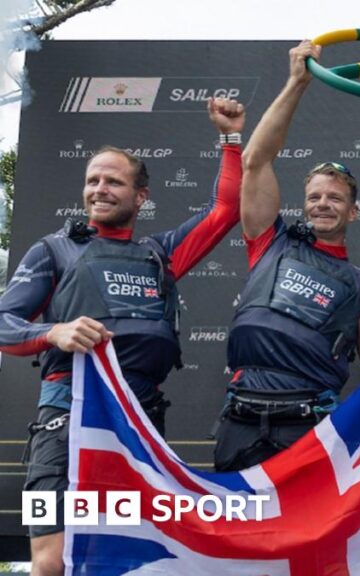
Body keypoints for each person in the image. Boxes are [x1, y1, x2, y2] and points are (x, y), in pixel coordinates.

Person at [0, 98, 245, 576]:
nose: (100, 189)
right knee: (49, 562)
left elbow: (226, 209)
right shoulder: (54, 249)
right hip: (64, 424)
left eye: (113, 181)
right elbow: (3, 324)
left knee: (121, 557)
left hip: (137, 431)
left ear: (141, 196)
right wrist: (55, 331)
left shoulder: (160, 255)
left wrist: (231, 139)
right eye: (92, 180)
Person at [212, 40, 360, 472]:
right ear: (303, 203)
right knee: (235, 536)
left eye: (335, 198)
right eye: (315, 196)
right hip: (241, 418)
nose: (323, 203)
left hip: (309, 427)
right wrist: (297, 82)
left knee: (304, 541)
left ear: (354, 211)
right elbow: (255, 160)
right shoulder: (272, 240)